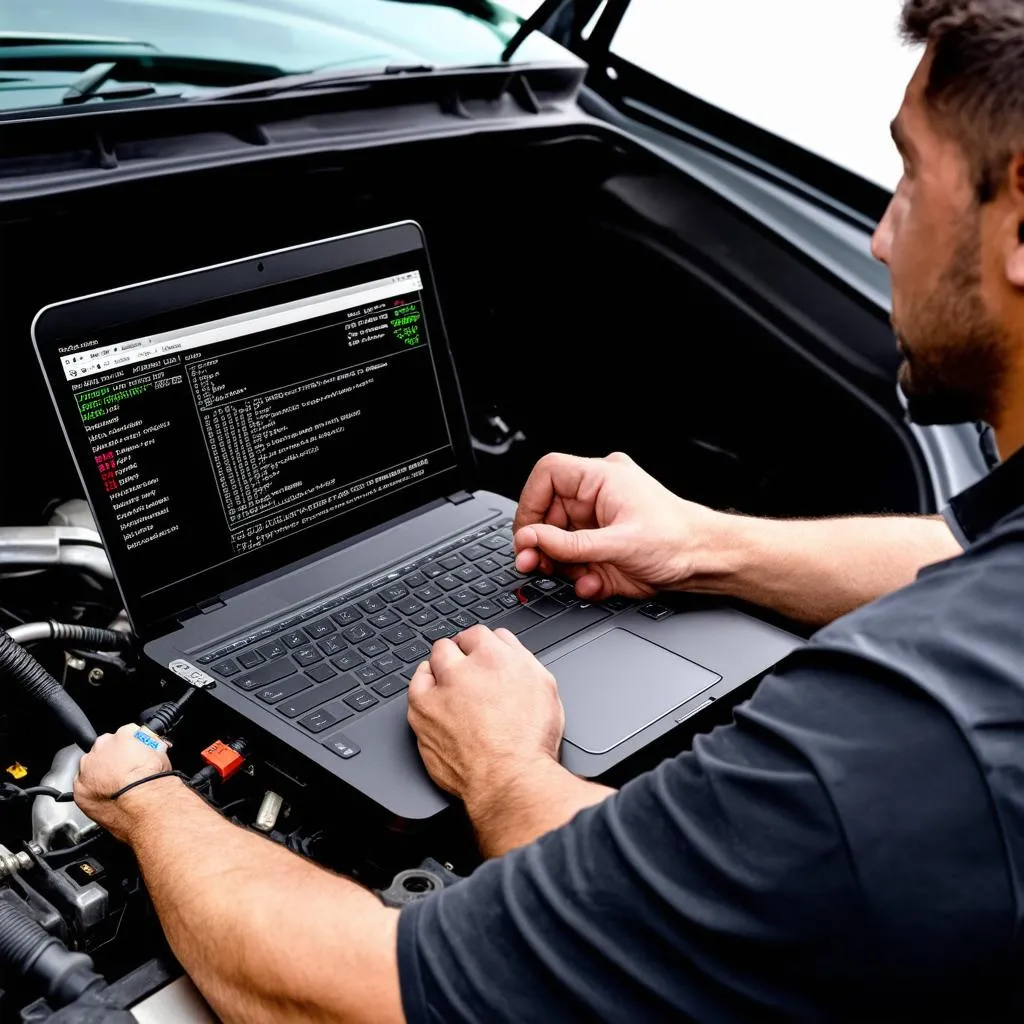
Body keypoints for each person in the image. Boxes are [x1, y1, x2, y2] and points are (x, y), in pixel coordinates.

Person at [75, 2, 1024, 1020]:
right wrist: (698, 546)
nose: (881, 235)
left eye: (908, 176)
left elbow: (362, 996)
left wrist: (148, 798)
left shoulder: (902, 736)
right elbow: (954, 552)